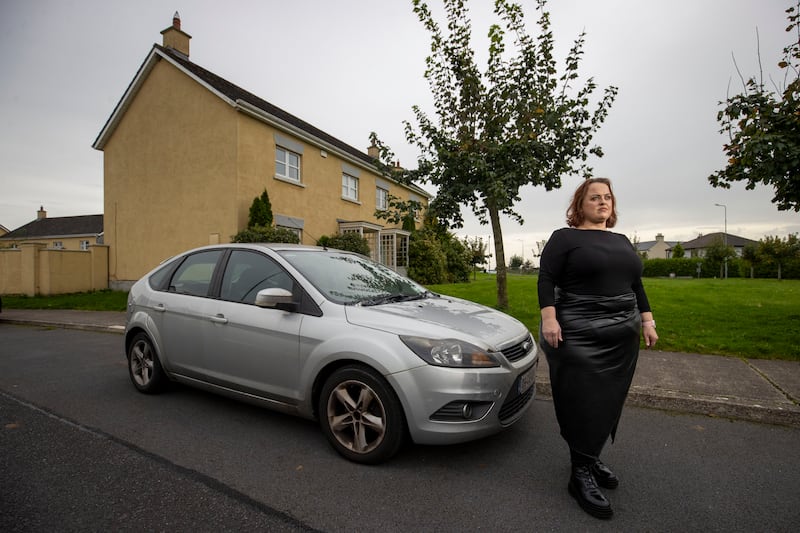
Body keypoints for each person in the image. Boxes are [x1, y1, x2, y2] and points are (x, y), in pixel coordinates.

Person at [537, 177, 658, 519]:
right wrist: (549, 319)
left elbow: (636, 283)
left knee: (608, 400)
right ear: (580, 205)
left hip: (622, 333)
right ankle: (580, 474)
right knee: (582, 400)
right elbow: (546, 278)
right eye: (594, 197)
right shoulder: (565, 238)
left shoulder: (621, 241)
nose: (603, 202)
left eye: (607, 197)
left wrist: (647, 321)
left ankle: (589, 457)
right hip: (578, 329)